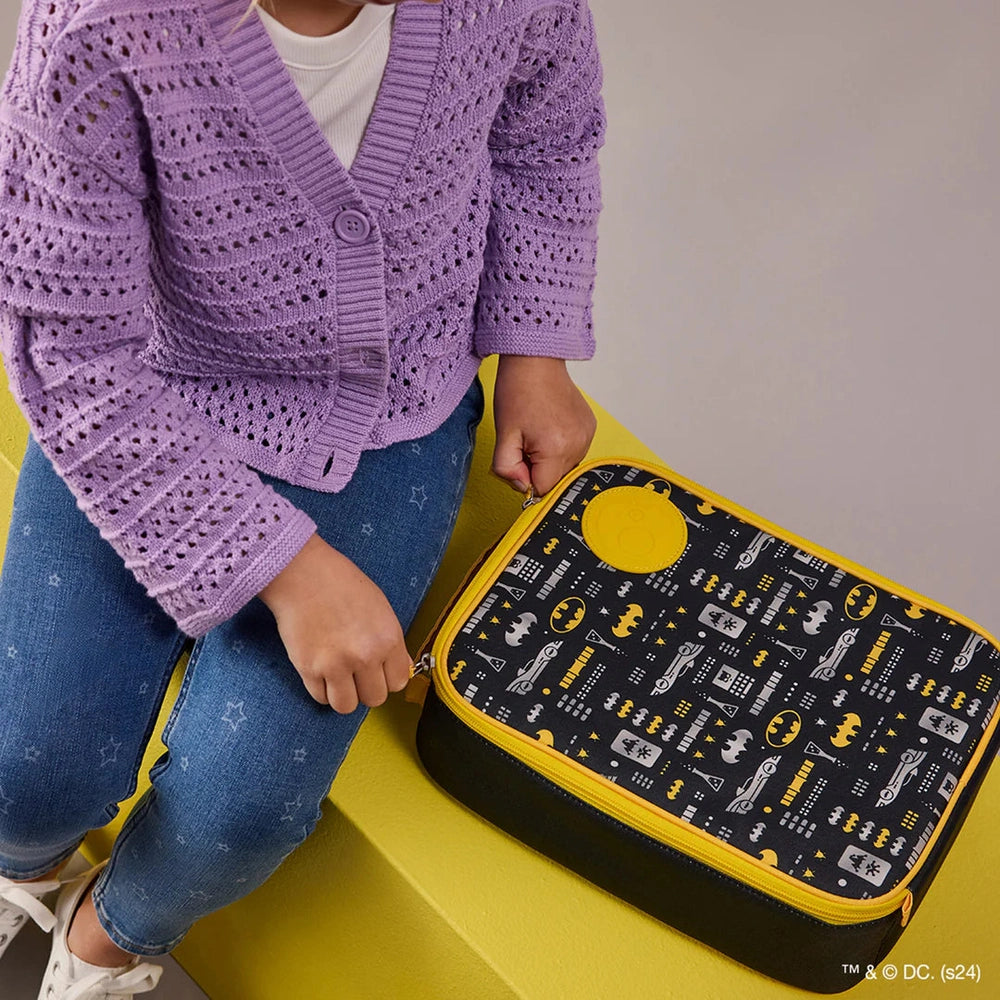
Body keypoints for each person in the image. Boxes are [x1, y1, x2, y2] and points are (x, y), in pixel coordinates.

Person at [0, 0, 604, 995]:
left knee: (243, 806)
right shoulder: (97, 25)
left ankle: (112, 934)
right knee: (26, 767)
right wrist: (282, 565)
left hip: (391, 414)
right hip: (145, 401)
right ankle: (23, 864)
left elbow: (546, 141)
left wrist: (534, 351)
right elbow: (68, 349)